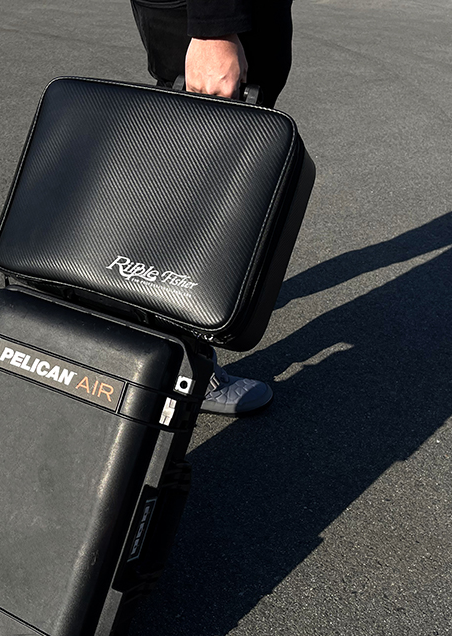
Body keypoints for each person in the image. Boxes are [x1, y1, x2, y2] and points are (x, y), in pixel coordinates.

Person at [129, 0, 294, 414]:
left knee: (187, 179)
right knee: (202, 199)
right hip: (217, 17)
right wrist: (214, 29)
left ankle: (170, 329)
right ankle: (180, 367)